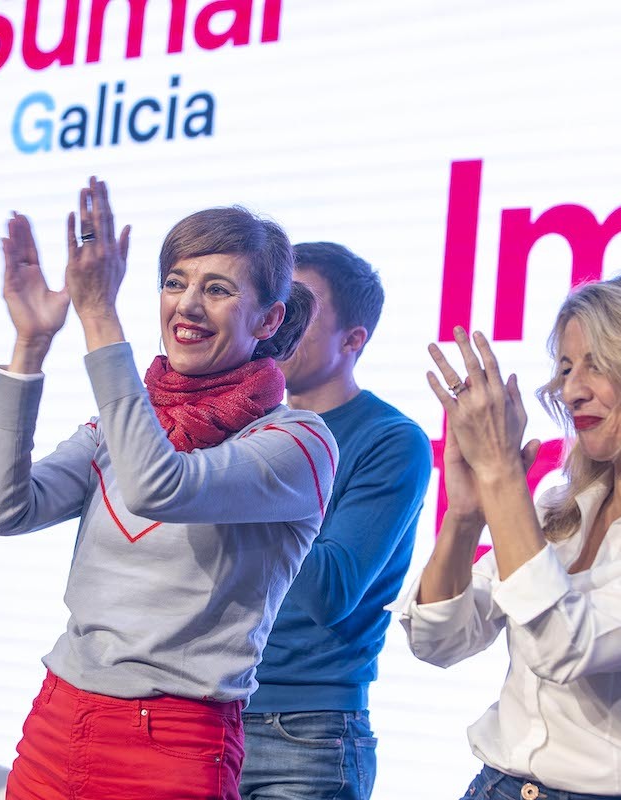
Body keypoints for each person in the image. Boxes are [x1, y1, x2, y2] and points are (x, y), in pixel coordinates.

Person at [0, 178, 337, 800]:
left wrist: (96, 315)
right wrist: (31, 344)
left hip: (172, 739)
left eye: (217, 289)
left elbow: (157, 486)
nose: (187, 306)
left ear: (269, 318)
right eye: (175, 283)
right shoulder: (124, 424)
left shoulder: (300, 443)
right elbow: (2, 510)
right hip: (58, 717)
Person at [393, 269, 621, 800]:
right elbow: (439, 641)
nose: (570, 391)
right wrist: (463, 517)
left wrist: (502, 475)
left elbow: (563, 645)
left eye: (596, 366)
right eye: (567, 368)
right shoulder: (557, 508)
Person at [240, 242, 430, 800]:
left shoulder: (390, 441)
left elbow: (330, 590)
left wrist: (242, 483)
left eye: (300, 307)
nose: (278, 323)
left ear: (354, 340)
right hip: (205, 709)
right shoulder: (244, 425)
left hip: (304, 734)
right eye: (275, 303)